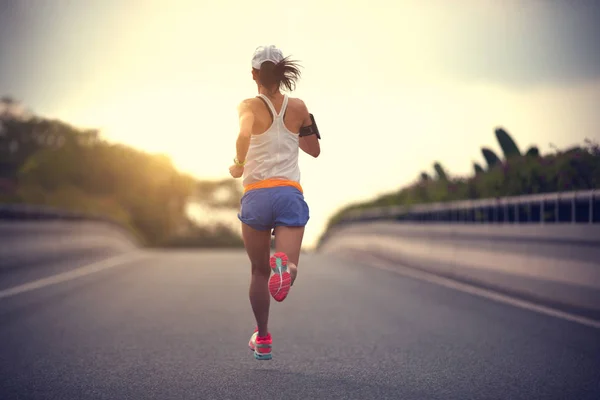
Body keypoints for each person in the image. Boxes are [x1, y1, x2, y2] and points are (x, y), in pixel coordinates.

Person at [228, 45, 321, 360]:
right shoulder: (298, 106)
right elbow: (314, 149)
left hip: (256, 195)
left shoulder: (248, 106)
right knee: (288, 263)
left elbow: (243, 135)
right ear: (282, 73)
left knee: (257, 272)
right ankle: (287, 269)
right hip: (288, 195)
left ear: (253, 74)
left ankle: (263, 338)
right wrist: (302, 122)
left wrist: (239, 163)